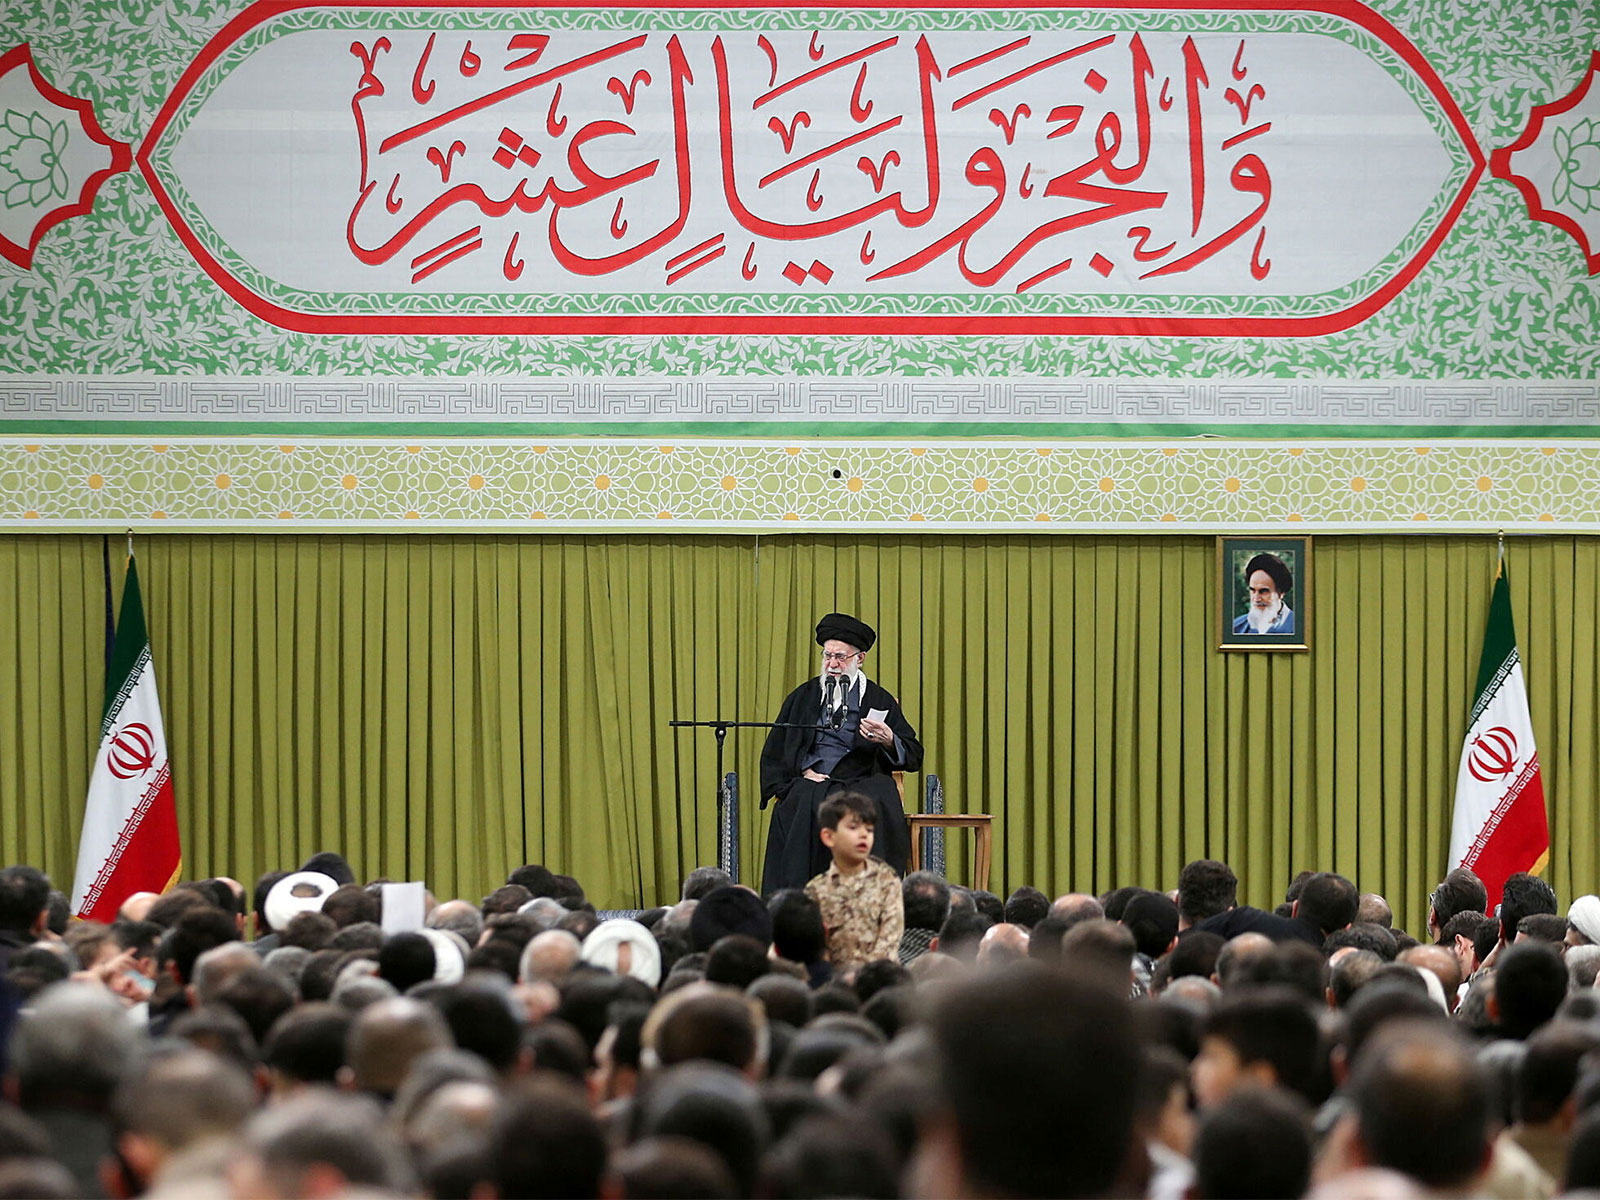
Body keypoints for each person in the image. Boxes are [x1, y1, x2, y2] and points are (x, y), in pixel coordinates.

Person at [760, 614, 922, 893]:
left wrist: (889, 740)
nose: (833, 664)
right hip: (813, 778)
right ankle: (800, 900)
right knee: (800, 798)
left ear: (860, 659)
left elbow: (913, 753)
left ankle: (869, 896)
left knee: (878, 797)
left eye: (841, 657)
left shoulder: (879, 698)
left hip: (861, 780)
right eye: (828, 656)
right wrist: (804, 769)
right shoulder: (803, 696)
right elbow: (779, 746)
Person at [804, 792, 904, 970]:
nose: (864, 835)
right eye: (853, 827)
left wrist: (863, 975)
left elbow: (889, 941)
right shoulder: (816, 890)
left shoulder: (887, 880)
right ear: (828, 836)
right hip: (834, 984)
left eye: (869, 830)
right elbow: (816, 949)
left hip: (880, 979)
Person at [1231, 553, 1296, 635]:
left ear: (1281, 593)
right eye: (1252, 590)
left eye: (1263, 591)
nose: (1256, 598)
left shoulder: (1299, 628)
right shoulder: (1236, 627)